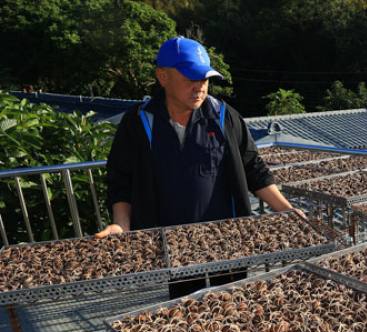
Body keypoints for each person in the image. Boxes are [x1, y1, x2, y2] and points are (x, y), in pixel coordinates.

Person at [96, 36, 301, 298]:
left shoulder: (224, 116)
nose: (200, 87)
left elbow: (253, 168)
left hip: (227, 241)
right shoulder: (138, 122)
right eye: (190, 78)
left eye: (204, 79)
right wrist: (121, 225)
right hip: (172, 246)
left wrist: (288, 212)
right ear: (163, 76)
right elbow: (120, 180)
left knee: (233, 302)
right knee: (185, 310)